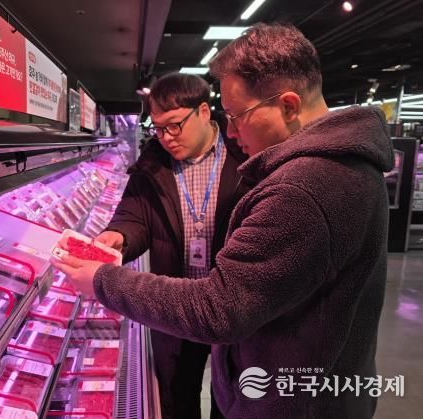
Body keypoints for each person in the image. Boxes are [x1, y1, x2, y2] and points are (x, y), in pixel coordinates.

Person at [52, 22, 393, 418]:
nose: (230, 130)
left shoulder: (302, 187)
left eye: (236, 115)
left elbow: (220, 309)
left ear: (288, 106)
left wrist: (103, 281)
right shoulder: (344, 163)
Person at [94, 72, 248, 419]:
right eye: (159, 128)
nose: (165, 137)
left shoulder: (245, 157)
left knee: (233, 395)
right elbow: (133, 216)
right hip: (175, 306)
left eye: (175, 125)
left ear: (204, 112)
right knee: (177, 396)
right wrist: (118, 236)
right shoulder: (152, 165)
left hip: (232, 306)